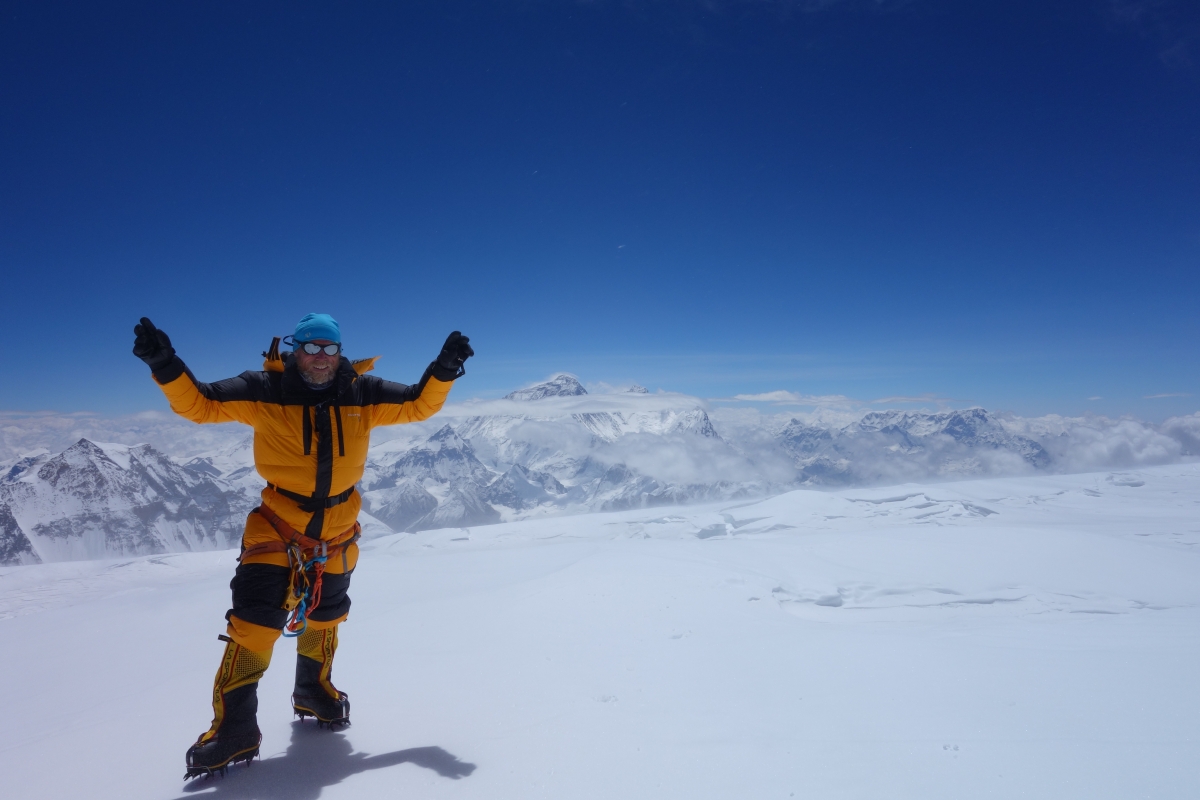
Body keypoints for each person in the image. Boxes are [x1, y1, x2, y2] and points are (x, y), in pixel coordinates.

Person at [132, 313, 473, 779]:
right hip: (278, 528)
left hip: (337, 532)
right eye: (311, 347)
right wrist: (165, 363)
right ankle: (233, 729)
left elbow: (417, 404)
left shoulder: (362, 392)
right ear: (295, 350)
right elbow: (201, 405)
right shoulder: (265, 389)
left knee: (326, 617)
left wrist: (444, 369)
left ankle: (314, 690)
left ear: (340, 353)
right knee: (254, 628)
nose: (320, 357)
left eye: (329, 349)